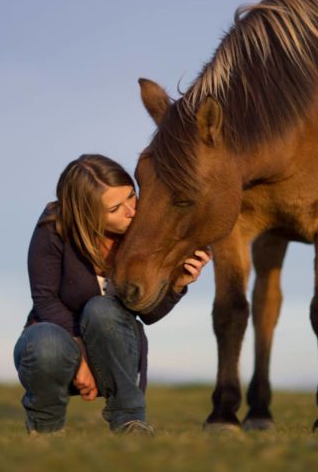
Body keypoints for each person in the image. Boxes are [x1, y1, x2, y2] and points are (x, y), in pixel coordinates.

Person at [13, 154, 211, 435]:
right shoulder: (54, 227)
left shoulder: (147, 231)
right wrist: (80, 353)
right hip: (60, 349)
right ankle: (45, 430)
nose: (132, 211)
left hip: (115, 352)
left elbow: (148, 314)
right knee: (44, 342)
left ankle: (130, 422)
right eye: (116, 207)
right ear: (87, 214)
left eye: (132, 196)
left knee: (102, 309)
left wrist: (177, 283)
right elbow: (44, 298)